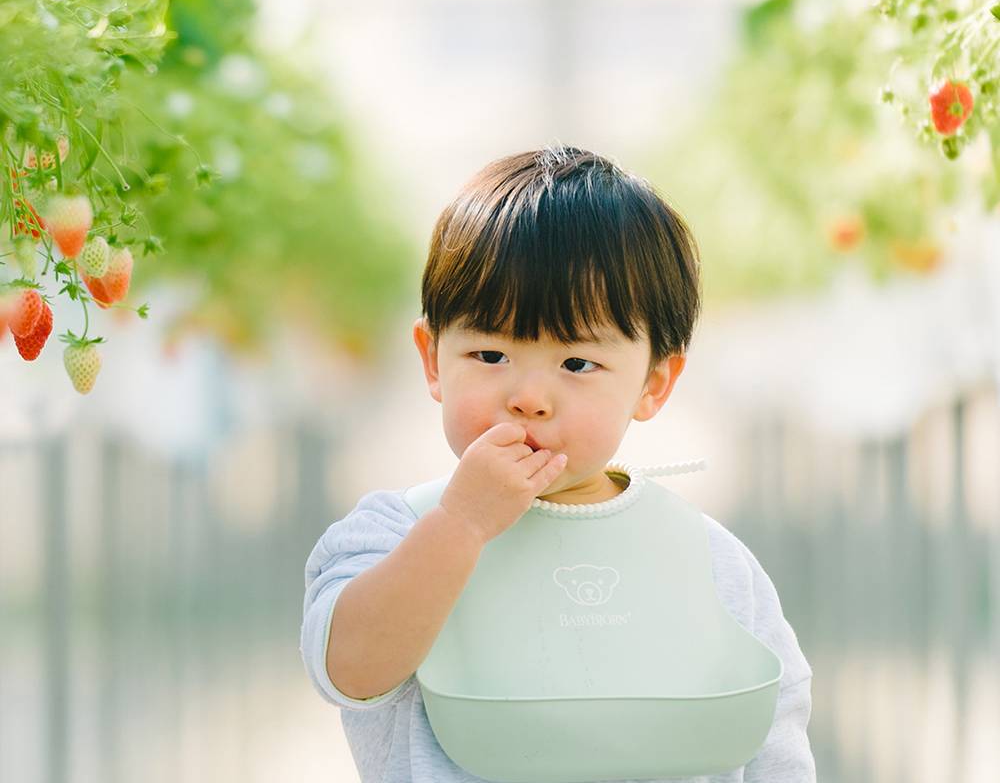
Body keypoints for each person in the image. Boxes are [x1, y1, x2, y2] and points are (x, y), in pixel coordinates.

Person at [300, 143, 816, 782]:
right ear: (433, 359)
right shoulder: (393, 534)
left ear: (654, 383)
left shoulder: (705, 559)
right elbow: (350, 671)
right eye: (490, 355)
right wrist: (461, 525)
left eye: (577, 364)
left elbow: (775, 727)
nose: (528, 398)